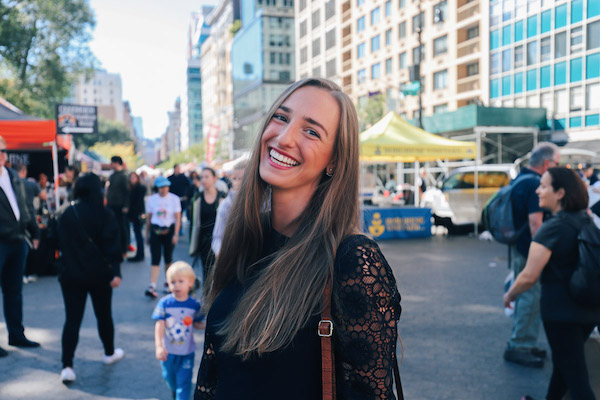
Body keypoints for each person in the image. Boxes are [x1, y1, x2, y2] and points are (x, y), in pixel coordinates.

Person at [194, 78, 402, 399]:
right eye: (281, 117)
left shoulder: (352, 260)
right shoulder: (249, 235)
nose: (285, 137)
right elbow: (213, 378)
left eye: (311, 131)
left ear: (334, 160)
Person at [504, 167, 600, 400]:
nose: (538, 190)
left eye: (544, 186)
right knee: (564, 367)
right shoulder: (586, 219)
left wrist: (510, 295)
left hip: (561, 314)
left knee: (577, 381)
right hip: (587, 310)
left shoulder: (552, 228)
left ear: (560, 193)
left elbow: (528, 276)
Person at [55, 173, 125, 383]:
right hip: (100, 275)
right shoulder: (105, 214)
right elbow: (113, 246)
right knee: (104, 315)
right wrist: (116, 272)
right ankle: (109, 352)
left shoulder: (64, 212)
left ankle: (67, 365)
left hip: (71, 275)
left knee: (72, 320)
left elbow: (53, 241)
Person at [504, 142, 560, 368]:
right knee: (530, 297)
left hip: (520, 247)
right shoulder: (535, 184)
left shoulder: (519, 179)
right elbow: (536, 224)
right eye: (556, 163)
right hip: (531, 250)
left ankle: (522, 341)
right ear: (547, 163)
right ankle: (520, 345)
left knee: (525, 296)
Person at [0, 136, 40, 357]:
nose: (2, 154)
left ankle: (17, 334)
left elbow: (26, 206)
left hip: (17, 240)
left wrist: (34, 231)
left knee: (14, 291)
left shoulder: (14, 176)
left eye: (3, 150)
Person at [153, 261, 205, 400]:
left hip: (186, 352)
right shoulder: (165, 303)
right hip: (168, 353)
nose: (176, 285)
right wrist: (159, 346)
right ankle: (174, 391)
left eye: (180, 281)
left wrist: (209, 325)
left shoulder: (194, 305)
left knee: (184, 383)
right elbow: (160, 324)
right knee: (170, 379)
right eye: (172, 282)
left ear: (190, 282)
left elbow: (197, 323)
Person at [145, 176, 181, 298]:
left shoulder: (174, 199)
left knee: (168, 258)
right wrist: (146, 234)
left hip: (168, 230)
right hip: (156, 230)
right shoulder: (152, 200)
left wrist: (176, 233)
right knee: (155, 258)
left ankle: (168, 282)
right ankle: (152, 285)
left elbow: (177, 217)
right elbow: (149, 218)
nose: (163, 189)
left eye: (165, 186)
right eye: (161, 187)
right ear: (157, 188)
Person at [189, 167, 226, 283]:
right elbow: (193, 222)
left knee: (221, 273)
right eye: (202, 177)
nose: (204, 180)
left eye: (207, 177)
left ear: (215, 179)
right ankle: (208, 299)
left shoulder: (223, 198)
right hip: (204, 241)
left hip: (221, 241)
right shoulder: (197, 199)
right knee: (207, 273)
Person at [211, 160, 248, 256]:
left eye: (242, 178)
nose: (238, 182)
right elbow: (217, 237)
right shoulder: (227, 204)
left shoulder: (266, 201)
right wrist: (220, 253)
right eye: (235, 178)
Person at [106, 156, 130, 256]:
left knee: (122, 228)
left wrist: (126, 206)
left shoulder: (124, 176)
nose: (110, 165)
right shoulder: (112, 175)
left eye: (112, 163)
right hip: (111, 206)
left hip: (120, 207)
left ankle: (124, 249)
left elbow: (127, 192)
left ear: (116, 163)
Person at [127, 172, 147, 262]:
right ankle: (140, 253)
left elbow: (137, 203)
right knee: (138, 234)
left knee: (138, 235)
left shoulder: (139, 188)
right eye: (131, 178)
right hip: (135, 215)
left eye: (134, 177)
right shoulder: (133, 188)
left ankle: (140, 254)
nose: (132, 179)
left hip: (137, 215)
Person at [168, 164, 191, 235]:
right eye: (177, 168)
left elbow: (189, 186)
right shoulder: (170, 178)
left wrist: (186, 195)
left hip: (181, 199)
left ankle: (179, 228)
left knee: (179, 214)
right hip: (172, 199)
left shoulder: (183, 177)